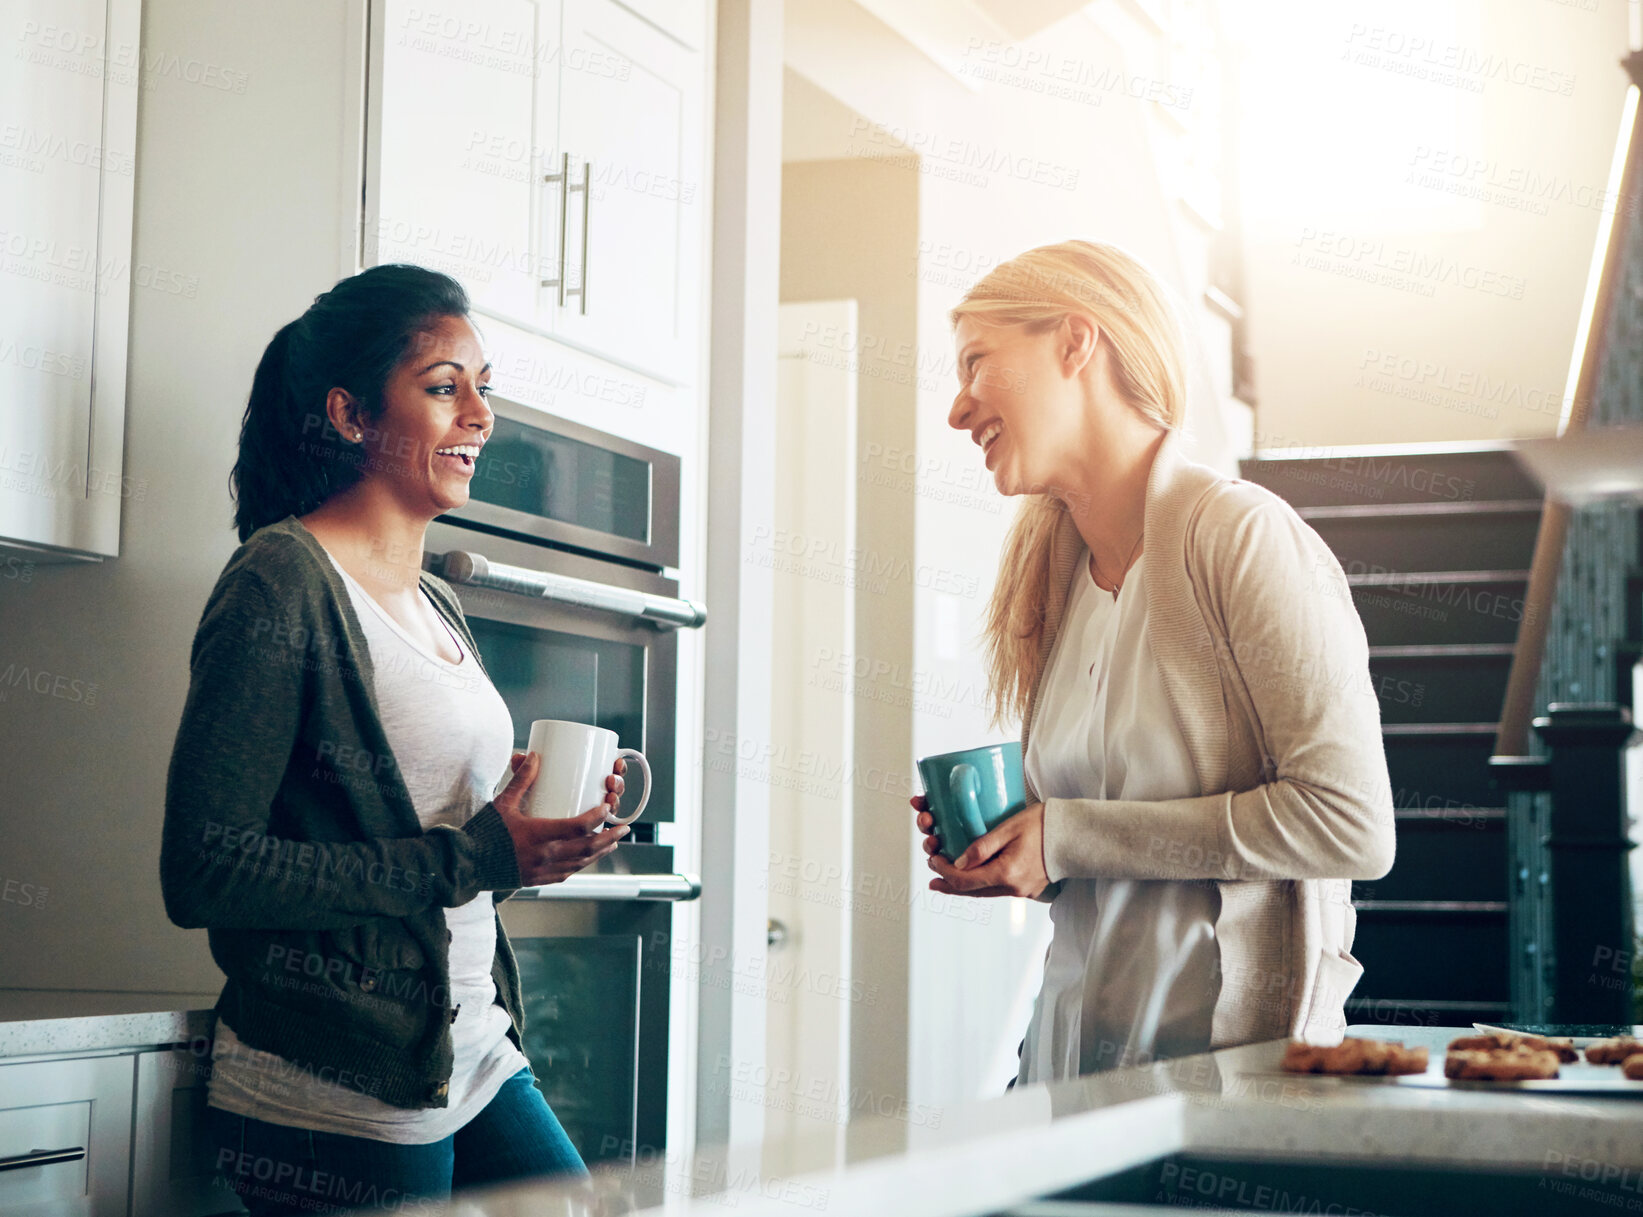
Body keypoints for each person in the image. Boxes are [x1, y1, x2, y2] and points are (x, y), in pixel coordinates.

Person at [160, 264, 629, 1214]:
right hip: (338, 1084)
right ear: (350, 415)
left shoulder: (436, 601)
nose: (481, 418)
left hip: (472, 1048)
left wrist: (523, 850)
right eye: (444, 387)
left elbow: (439, 859)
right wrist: (472, 854)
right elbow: (204, 871)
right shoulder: (279, 583)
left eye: (483, 390)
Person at [911, 240, 1396, 1085]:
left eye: (976, 363)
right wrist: (1022, 851)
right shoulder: (1052, 577)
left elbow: (1348, 821)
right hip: (1063, 1077)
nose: (957, 409)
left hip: (1223, 1093)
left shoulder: (1241, 538)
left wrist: (1069, 837)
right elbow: (1123, 864)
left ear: (1075, 341)